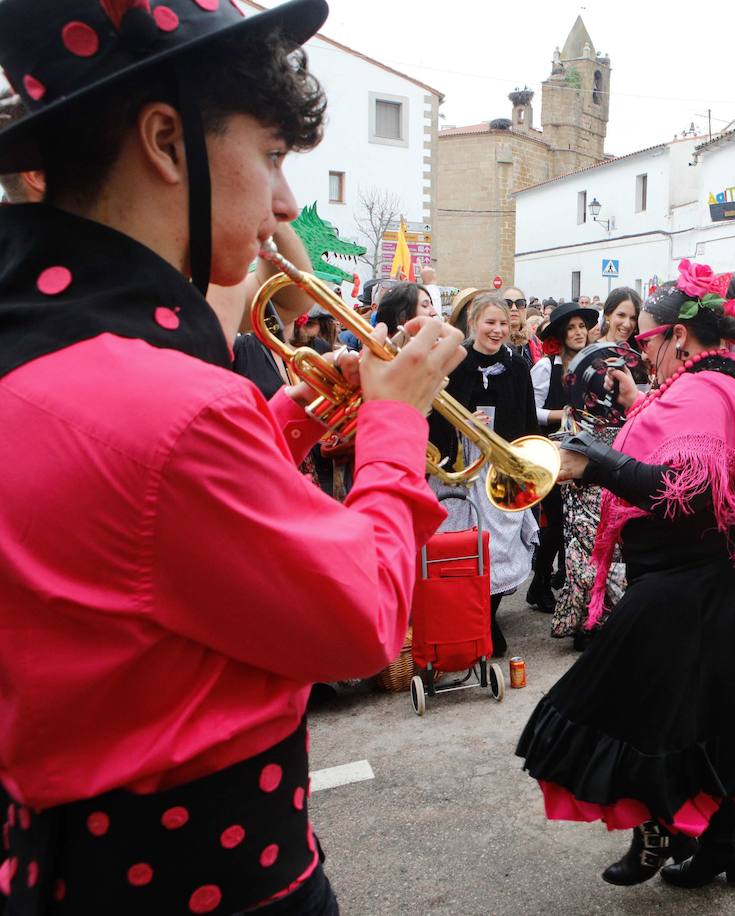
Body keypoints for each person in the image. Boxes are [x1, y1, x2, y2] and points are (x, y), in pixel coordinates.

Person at [0, 2, 466, 912]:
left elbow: (130, 525)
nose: (287, 204)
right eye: (273, 155)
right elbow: (363, 620)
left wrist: (290, 416)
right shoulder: (172, 407)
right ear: (168, 143)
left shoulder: (45, 355)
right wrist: (394, 424)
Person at [517, 263, 735, 888]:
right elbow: (695, 448)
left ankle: (659, 833)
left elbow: (684, 488)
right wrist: (638, 407)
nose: (639, 353)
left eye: (645, 342)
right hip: (734, 584)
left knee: (631, 708)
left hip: (702, 588)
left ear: (679, 337)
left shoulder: (702, 390)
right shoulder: (726, 379)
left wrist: (591, 464)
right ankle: (724, 846)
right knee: (709, 721)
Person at [430, 294, 540, 657]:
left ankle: (487, 617)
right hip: (461, 465)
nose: (498, 330)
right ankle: (477, 624)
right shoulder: (454, 361)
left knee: (501, 544)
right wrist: (461, 426)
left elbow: (525, 419)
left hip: (500, 464)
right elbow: (432, 414)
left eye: (504, 324)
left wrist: (523, 464)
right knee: (464, 543)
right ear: (474, 322)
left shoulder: (519, 367)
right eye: (490, 322)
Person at [549, 288, 642, 648]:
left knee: (616, 543)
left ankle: (612, 618)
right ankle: (586, 622)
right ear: (607, 314)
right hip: (585, 452)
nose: (626, 323)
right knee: (584, 540)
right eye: (620, 315)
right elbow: (572, 410)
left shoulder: (637, 358)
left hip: (624, 454)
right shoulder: (586, 356)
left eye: (632, 318)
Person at [525, 300, 598, 612]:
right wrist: (563, 414)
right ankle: (539, 582)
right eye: (572, 328)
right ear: (560, 334)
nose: (579, 332)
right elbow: (531, 410)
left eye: (582, 326)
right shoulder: (545, 367)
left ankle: (572, 586)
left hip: (584, 450)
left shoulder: (592, 362)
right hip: (553, 451)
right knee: (554, 522)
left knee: (578, 524)